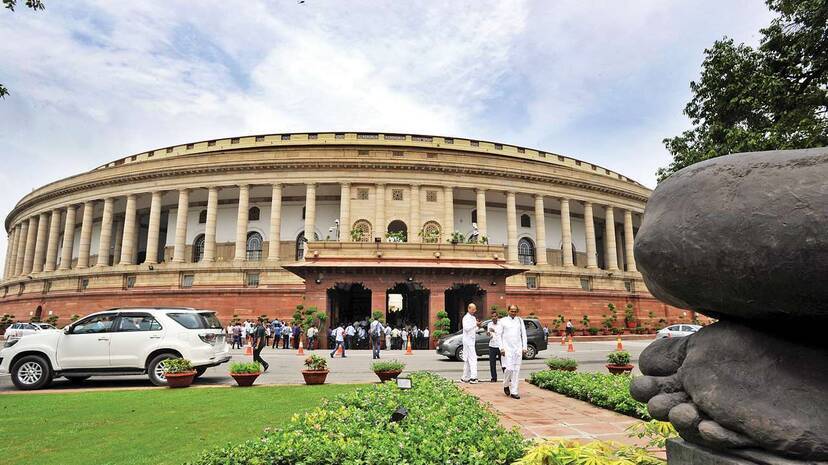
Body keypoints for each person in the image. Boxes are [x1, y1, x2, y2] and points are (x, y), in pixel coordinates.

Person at [500, 305, 528, 399]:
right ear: (508, 311)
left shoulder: (519, 320)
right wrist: (501, 348)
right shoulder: (503, 321)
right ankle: (506, 384)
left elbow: (523, 334)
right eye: (512, 311)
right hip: (507, 349)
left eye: (515, 311)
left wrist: (524, 347)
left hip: (518, 349)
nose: (513, 313)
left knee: (516, 370)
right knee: (509, 368)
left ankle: (514, 391)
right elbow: (499, 335)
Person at [461, 303, 480, 384]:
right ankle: (473, 377)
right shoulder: (466, 318)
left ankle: (464, 377)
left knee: (468, 360)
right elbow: (466, 328)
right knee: (473, 359)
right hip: (468, 341)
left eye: (475, 309)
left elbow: (474, 329)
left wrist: (478, 326)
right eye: (473, 309)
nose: (474, 311)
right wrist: (475, 324)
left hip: (471, 340)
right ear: (469, 309)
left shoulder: (473, 318)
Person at [486, 309, 503, 383]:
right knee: (492, 363)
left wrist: (494, 331)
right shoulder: (489, 324)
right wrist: (488, 334)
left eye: (495, 316)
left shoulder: (501, 324)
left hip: (500, 346)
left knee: (503, 363)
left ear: (497, 317)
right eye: (492, 316)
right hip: (492, 345)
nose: (494, 318)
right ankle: (494, 377)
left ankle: (507, 377)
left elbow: (501, 334)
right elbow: (490, 334)